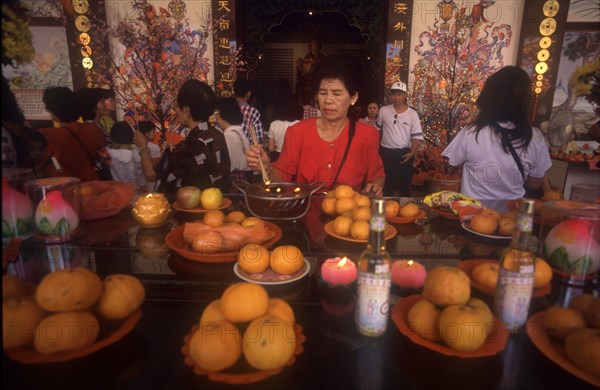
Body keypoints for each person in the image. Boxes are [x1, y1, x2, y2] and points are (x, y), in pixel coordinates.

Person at [246, 53, 385, 195]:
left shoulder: (367, 135)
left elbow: (377, 176)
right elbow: (282, 178)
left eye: (337, 94)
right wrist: (266, 167)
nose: (328, 100)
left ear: (353, 97)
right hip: (303, 212)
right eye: (323, 92)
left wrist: (375, 186)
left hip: (348, 213)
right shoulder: (297, 132)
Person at [442, 66, 552, 200]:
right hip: (510, 216)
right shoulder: (535, 137)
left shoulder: (471, 132)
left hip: (472, 214)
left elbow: (451, 164)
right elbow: (535, 184)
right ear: (524, 101)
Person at [134, 79, 230, 195]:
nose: (175, 111)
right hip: (218, 201)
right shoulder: (217, 133)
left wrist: (143, 147)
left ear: (186, 110)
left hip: (193, 208)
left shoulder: (190, 145)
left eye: (177, 107)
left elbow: (151, 175)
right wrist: (172, 150)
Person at [38, 86, 110, 181]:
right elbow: (105, 159)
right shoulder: (93, 129)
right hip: (93, 184)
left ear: (54, 112)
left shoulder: (48, 135)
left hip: (68, 187)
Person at [377, 81, 424, 197]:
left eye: (400, 94)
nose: (396, 98)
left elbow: (416, 136)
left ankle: (406, 212)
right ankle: (386, 211)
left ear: (405, 95)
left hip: (404, 153)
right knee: (386, 185)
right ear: (390, 96)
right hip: (386, 152)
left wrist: (412, 153)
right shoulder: (383, 111)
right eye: (394, 94)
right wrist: (376, 149)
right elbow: (377, 130)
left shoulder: (412, 114)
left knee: (404, 186)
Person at [108, 121, 154, 191]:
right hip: (138, 193)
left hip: (121, 195)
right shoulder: (141, 154)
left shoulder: (111, 154)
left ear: (114, 140)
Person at [214, 97, 250, 182]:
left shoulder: (228, 135)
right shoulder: (238, 131)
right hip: (243, 177)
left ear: (221, 114)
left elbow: (225, 162)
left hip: (233, 180)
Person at [267, 96, 302, 161]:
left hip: (279, 157)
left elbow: (271, 148)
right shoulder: (300, 124)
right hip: (295, 158)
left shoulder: (274, 124)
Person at [233, 78, 264, 145]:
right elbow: (258, 139)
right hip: (246, 153)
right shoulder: (252, 111)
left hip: (227, 153)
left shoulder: (226, 109)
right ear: (248, 94)